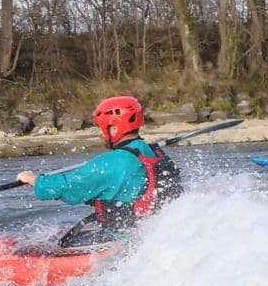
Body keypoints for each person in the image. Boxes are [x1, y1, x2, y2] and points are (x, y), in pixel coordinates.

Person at [16, 96, 182, 248]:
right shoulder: (154, 152)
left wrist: (34, 180)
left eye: (103, 128)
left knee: (41, 247)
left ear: (114, 128)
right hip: (150, 234)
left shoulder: (111, 163)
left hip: (119, 240)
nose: (102, 133)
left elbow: (66, 187)